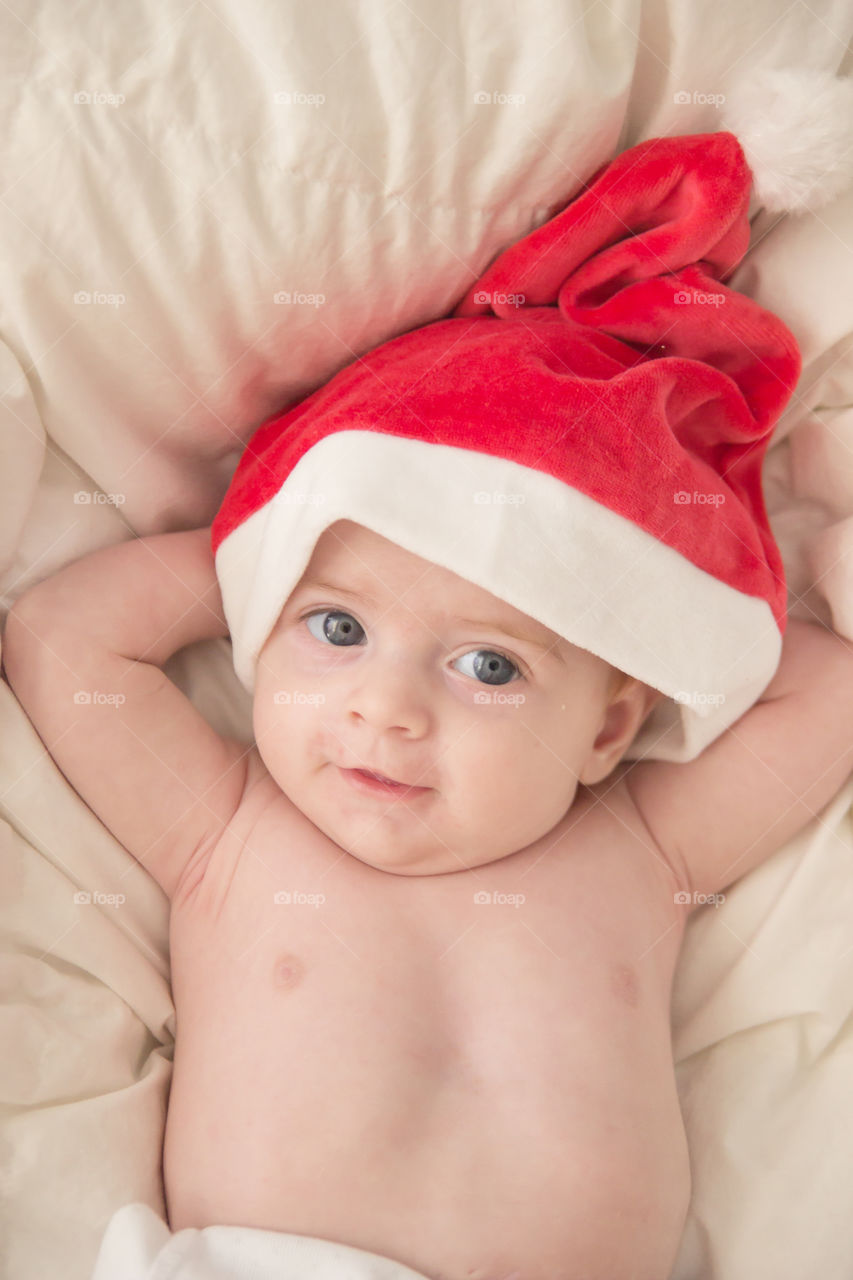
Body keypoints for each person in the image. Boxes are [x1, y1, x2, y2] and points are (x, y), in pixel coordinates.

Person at [5, 127, 853, 1280]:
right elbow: (65, 638)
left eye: (488, 666)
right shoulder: (228, 834)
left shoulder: (646, 849)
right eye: (339, 631)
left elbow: (823, 694)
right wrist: (271, 561)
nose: (386, 710)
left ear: (608, 727)